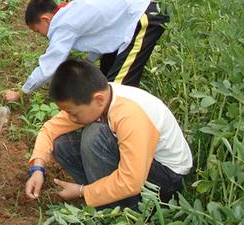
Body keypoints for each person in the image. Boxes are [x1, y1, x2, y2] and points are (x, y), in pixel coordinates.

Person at [25, 59, 192, 210]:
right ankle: (103, 196)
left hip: (166, 179)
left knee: (95, 136)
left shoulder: (130, 115)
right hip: (140, 166)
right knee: (62, 144)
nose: (71, 118)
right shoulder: (98, 97)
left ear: (98, 100)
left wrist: (83, 192)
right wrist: (37, 169)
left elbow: (131, 181)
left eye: (73, 113)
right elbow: (49, 130)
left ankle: (121, 212)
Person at [4, 0, 169, 104]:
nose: (39, 34)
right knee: (106, 73)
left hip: (143, 16)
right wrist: (89, 60)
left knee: (118, 88)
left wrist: (21, 92)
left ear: (46, 19)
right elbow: (102, 35)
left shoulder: (62, 23)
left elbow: (49, 65)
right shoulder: (71, 12)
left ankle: (112, 131)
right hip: (139, 14)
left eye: (37, 30)